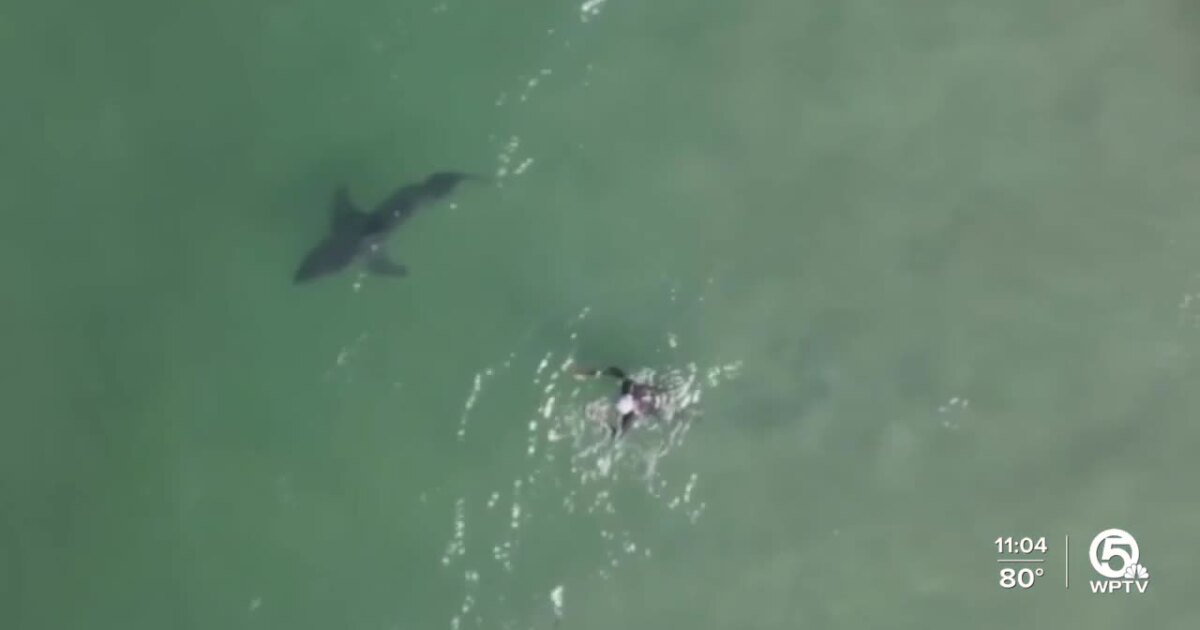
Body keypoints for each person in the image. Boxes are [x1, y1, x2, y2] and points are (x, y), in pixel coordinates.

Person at [573, 365, 662, 439]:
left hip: (655, 406)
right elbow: (616, 372)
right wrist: (596, 373)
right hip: (655, 397)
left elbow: (618, 435)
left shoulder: (630, 416)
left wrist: (602, 423)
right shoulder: (630, 386)